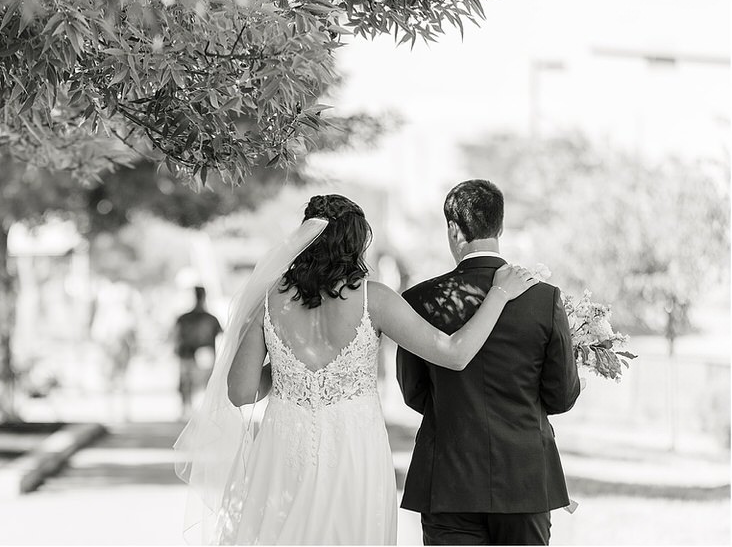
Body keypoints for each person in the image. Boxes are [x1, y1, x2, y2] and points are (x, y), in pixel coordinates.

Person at [175, 193, 537, 546]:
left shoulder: (270, 302)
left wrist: (290, 370)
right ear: (355, 243)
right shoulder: (373, 298)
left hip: (284, 445)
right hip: (354, 447)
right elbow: (454, 354)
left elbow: (239, 393)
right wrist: (499, 295)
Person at [397, 180, 580, 547]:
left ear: (453, 229)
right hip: (525, 480)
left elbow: (414, 392)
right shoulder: (544, 299)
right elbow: (560, 397)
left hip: (448, 482)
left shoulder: (420, 300)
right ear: (500, 227)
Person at [174, 287, 224, 419]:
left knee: (189, 382)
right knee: (202, 382)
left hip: (191, 353)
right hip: (198, 353)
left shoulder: (185, 318)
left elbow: (176, 336)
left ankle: (188, 408)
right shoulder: (210, 318)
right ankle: (196, 408)